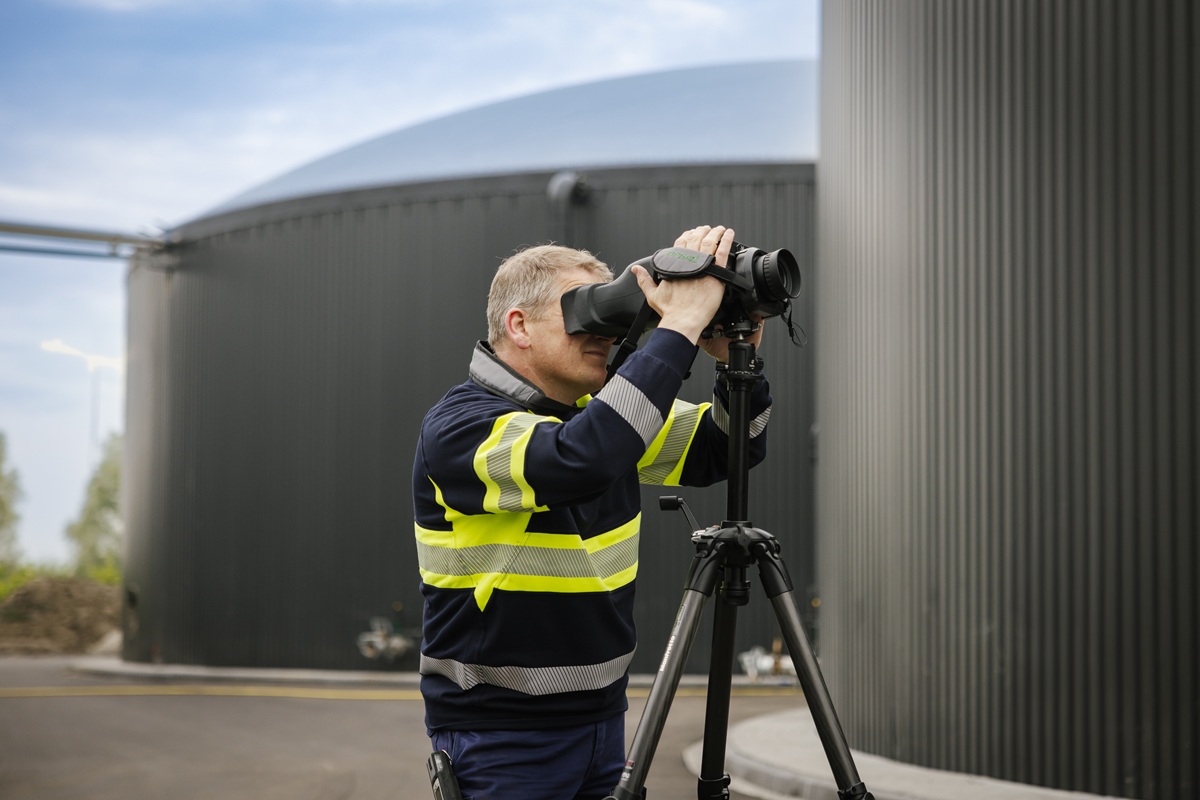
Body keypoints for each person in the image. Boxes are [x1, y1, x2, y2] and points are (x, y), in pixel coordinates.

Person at [413, 225, 772, 800]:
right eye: (585, 309)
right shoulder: (461, 427)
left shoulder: (601, 415)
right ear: (519, 325)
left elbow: (726, 448)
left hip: (605, 722)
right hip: (502, 736)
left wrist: (736, 363)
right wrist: (678, 326)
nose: (605, 331)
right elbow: (579, 460)